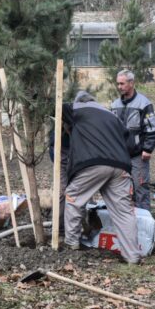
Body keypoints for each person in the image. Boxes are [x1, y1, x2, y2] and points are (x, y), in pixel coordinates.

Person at [63, 91, 141, 265]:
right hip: (121, 166)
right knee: (124, 213)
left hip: (93, 163)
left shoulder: (76, 109)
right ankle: (133, 256)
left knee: (73, 197)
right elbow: (132, 145)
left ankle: (72, 245)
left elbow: (55, 108)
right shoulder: (112, 116)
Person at [111, 70, 155, 210]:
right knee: (122, 191)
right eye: (118, 84)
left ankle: (144, 224)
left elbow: (152, 128)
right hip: (120, 156)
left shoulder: (143, 103)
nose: (119, 87)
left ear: (131, 83)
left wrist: (148, 148)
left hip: (138, 156)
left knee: (140, 188)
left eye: (122, 83)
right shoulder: (114, 105)